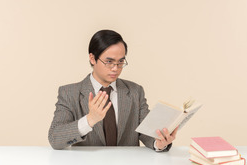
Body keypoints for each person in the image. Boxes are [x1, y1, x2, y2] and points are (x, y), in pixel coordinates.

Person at [48, 29, 178, 151]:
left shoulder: (135, 91)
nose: (116, 68)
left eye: (120, 62)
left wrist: (158, 143)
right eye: (109, 62)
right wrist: (89, 120)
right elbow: (55, 138)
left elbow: (146, 132)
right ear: (92, 58)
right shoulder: (69, 93)